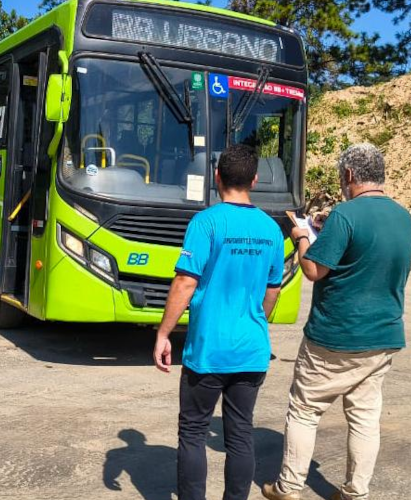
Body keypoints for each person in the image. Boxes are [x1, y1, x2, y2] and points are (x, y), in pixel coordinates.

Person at [262, 143, 411, 500]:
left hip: (335, 336)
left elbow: (314, 269)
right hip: (384, 335)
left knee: (304, 409)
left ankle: (289, 486)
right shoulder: (402, 216)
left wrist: (302, 236)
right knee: (364, 417)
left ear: (348, 175)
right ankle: (355, 492)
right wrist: (326, 227)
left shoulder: (347, 215)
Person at [154, 144, 284, 500]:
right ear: (255, 180)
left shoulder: (206, 222)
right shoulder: (272, 229)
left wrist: (164, 332)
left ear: (217, 177)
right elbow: (272, 291)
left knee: (193, 431)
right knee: (241, 434)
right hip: (252, 349)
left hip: (209, 349)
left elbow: (185, 281)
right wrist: (257, 318)